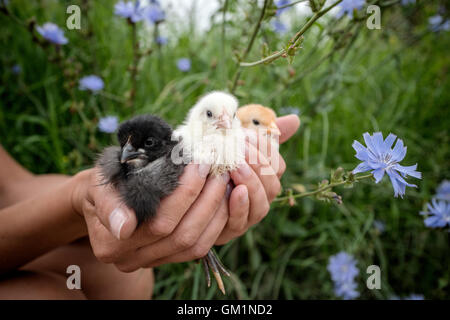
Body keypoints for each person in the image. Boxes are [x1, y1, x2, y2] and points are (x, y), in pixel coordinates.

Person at [0, 115, 300, 299]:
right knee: (47, 295)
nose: (127, 152)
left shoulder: (178, 155)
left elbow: (11, 186)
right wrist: (74, 203)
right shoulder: (127, 165)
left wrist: (83, 207)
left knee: (123, 278)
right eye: (125, 145)